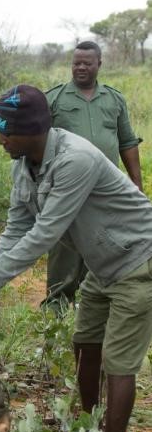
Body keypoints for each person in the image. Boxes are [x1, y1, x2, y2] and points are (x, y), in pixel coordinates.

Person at [0, 85, 152, 432]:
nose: (1, 141)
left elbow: (45, 233)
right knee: (85, 343)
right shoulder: (24, 165)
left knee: (119, 363)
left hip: (138, 261)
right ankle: (93, 422)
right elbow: (17, 227)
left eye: (7, 133)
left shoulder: (76, 160)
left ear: (33, 132)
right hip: (103, 267)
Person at [43, 40, 143, 310]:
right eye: (76, 63)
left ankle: (93, 306)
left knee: (103, 245)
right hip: (67, 189)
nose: (81, 67)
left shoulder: (114, 99)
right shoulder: (54, 99)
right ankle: (56, 308)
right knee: (64, 250)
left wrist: (136, 184)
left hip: (106, 192)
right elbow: (39, 145)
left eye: (87, 63)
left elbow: (127, 142)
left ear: (100, 64)